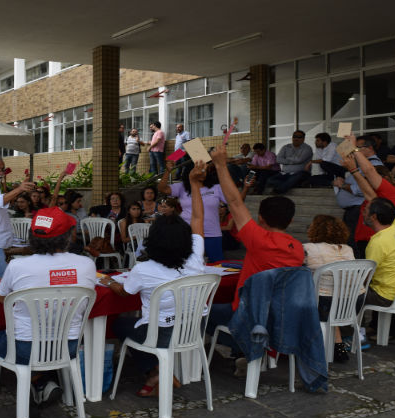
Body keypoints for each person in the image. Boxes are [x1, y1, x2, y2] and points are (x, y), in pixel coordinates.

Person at [104, 161, 208, 396]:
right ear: (185, 237)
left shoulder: (144, 269)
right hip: (193, 329)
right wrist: (194, 183)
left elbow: (124, 292)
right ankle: (158, 372)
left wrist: (110, 282)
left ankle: (154, 370)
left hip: (159, 334)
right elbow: (199, 218)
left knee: (119, 324)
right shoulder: (194, 252)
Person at [206, 144, 304, 369]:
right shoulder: (298, 247)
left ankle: (247, 346)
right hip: (281, 312)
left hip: (251, 313)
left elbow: (234, 202)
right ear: (290, 221)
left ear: (260, 219)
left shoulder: (258, 239)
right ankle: (243, 350)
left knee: (199, 313)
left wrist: (221, 164)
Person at [0, 206, 97, 404]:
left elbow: (3, 299)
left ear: (33, 236)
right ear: (68, 236)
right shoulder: (87, 264)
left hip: (24, 347)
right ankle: (41, 381)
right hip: (69, 346)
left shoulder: (17, 266)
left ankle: (35, 380)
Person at [303, 214, 357, 363]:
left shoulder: (309, 248)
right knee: (328, 302)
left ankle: (304, 346)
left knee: (304, 297)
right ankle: (338, 347)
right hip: (351, 303)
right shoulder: (348, 249)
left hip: (325, 303)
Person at [341, 134, 395, 259]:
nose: (368, 182)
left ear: (384, 179)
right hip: (365, 239)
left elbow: (369, 171)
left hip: (373, 240)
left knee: (367, 275)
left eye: (370, 180)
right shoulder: (380, 196)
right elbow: (368, 192)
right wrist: (353, 169)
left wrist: (354, 148)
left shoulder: (390, 194)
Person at [363, 198, 395, 341]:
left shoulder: (377, 242)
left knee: (350, 294)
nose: (363, 212)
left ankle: (352, 335)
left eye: (366, 210)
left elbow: (366, 277)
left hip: (388, 297)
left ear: (373, 217)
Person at [159, 159, 228, 263]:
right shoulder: (182, 187)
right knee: (186, 263)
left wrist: (245, 187)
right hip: (186, 233)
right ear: (190, 172)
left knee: (217, 264)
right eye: (199, 169)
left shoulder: (216, 187)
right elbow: (162, 189)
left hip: (212, 233)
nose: (202, 172)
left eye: (205, 169)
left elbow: (235, 201)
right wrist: (168, 171)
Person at [332, 135, 385, 248]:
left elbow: (362, 188)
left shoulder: (374, 165)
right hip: (354, 211)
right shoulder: (363, 164)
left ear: (369, 148)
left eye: (356, 148)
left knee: (353, 244)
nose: (354, 152)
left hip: (358, 210)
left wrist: (343, 185)